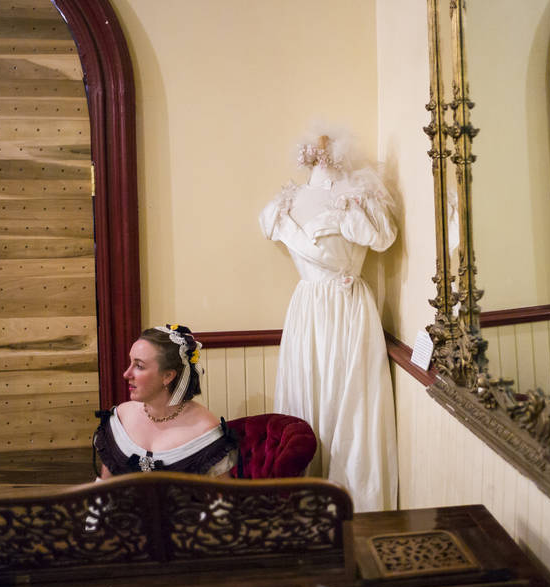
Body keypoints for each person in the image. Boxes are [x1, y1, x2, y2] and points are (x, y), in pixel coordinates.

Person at [259, 122, 398, 512]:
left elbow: (383, 238)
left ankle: (353, 500)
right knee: (308, 392)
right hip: (308, 310)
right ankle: (305, 500)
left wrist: (350, 212)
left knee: (351, 400)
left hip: (348, 305)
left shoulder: (357, 197)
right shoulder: (288, 202)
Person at [93, 325, 239, 478]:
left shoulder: (205, 430)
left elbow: (219, 500)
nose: (126, 374)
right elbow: (104, 491)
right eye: (130, 363)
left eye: (139, 366)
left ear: (168, 376)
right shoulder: (121, 417)